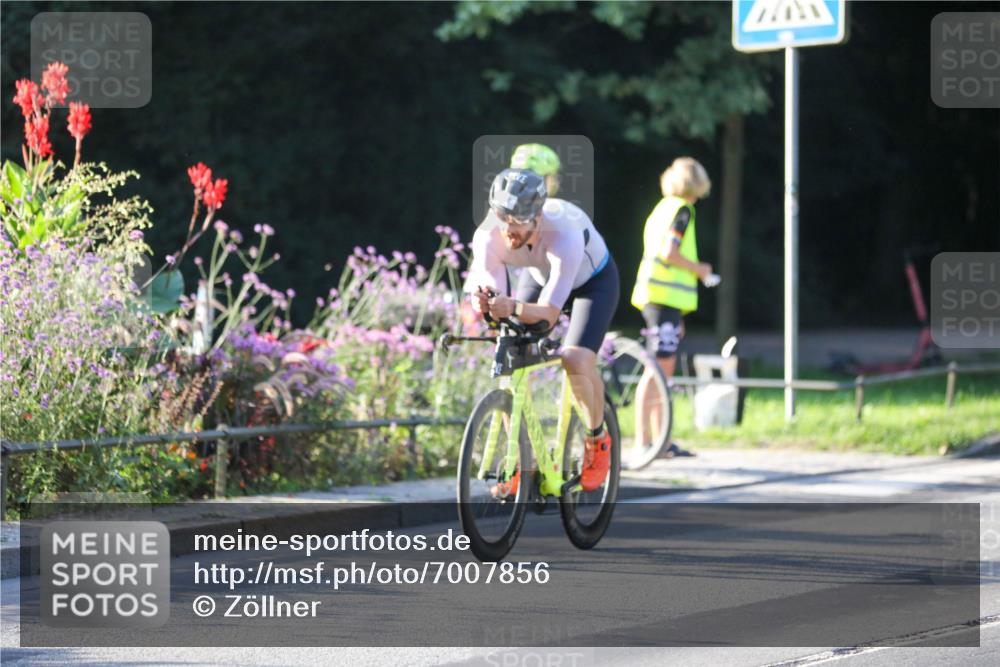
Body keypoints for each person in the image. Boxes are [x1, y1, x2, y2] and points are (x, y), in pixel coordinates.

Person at [467, 168, 619, 493]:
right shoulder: (488, 235)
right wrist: (486, 304)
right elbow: (493, 296)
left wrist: (514, 308)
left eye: (517, 220)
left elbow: (548, 315)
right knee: (510, 351)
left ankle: (598, 439)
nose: (508, 229)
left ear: (537, 217)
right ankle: (521, 460)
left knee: (575, 359)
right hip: (540, 276)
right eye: (502, 217)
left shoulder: (564, 233)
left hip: (593, 283)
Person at [630, 157, 714, 458]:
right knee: (657, 369)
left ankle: (659, 440)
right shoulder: (682, 210)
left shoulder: (661, 208)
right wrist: (700, 269)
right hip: (663, 298)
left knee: (661, 368)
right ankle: (646, 441)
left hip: (661, 299)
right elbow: (669, 253)